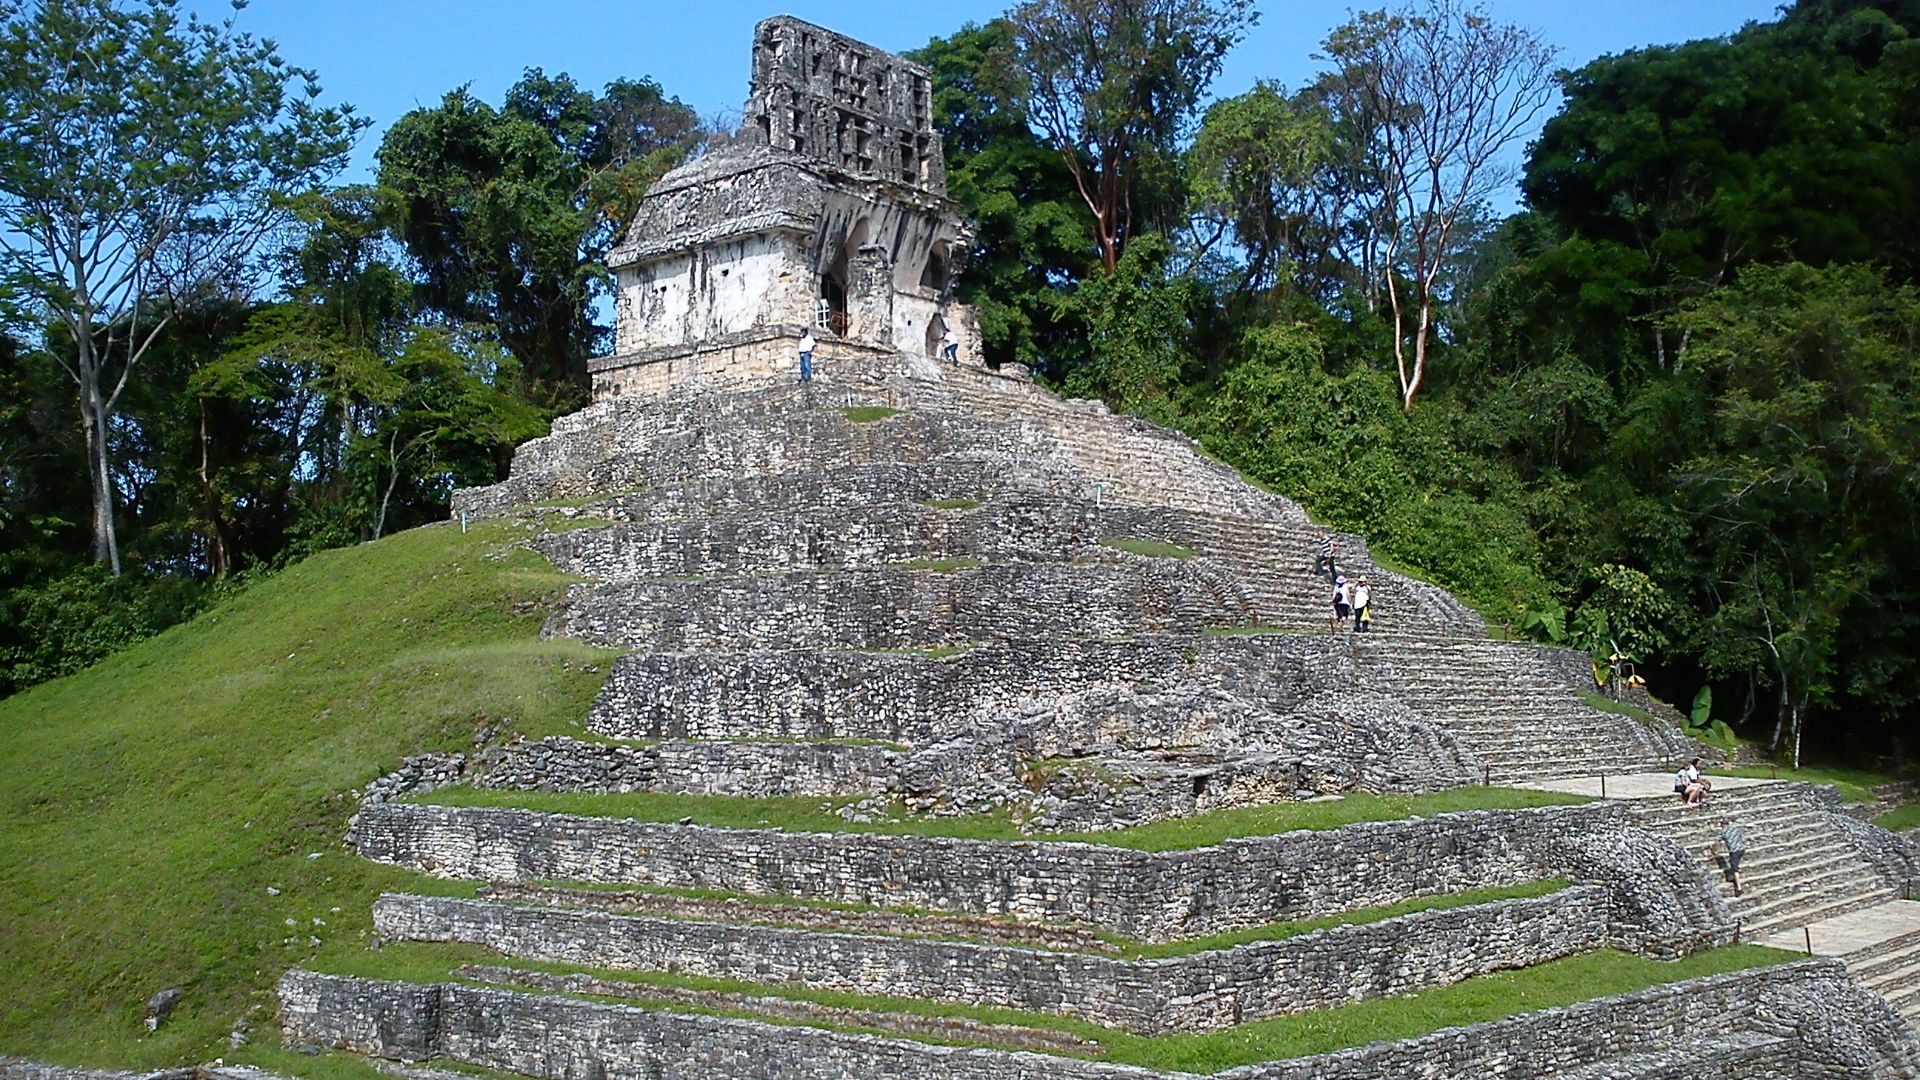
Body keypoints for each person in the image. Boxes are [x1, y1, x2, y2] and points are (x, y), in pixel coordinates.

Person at [1708, 819, 1746, 895]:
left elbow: (1717, 843)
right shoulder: (1735, 829)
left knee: (1734, 868)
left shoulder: (1723, 831)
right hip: (1741, 849)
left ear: (1722, 825)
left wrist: (1712, 851)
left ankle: (1739, 888)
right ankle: (1733, 875)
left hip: (1734, 851)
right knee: (1733, 862)